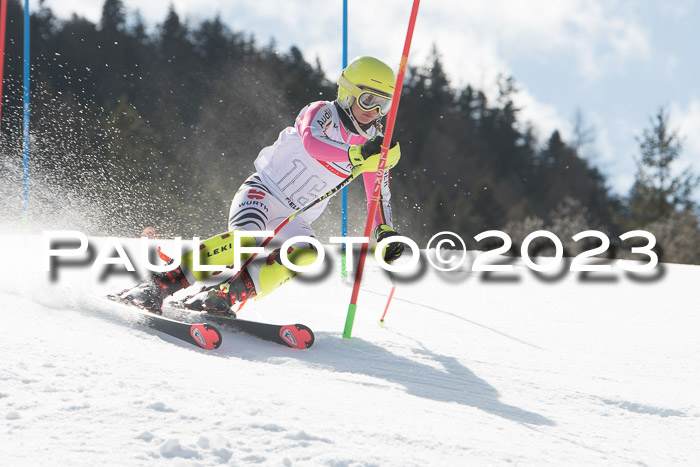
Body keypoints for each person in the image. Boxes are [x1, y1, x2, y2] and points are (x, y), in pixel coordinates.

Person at [118, 56, 406, 315]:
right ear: (348, 93)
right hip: (263, 192)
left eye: (384, 104)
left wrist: (385, 230)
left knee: (306, 252)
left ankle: (224, 295)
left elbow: (378, 196)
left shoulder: (373, 144)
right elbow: (312, 143)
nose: (374, 111)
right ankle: (159, 284)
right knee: (247, 240)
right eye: (368, 100)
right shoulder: (322, 113)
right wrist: (356, 155)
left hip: (295, 218)